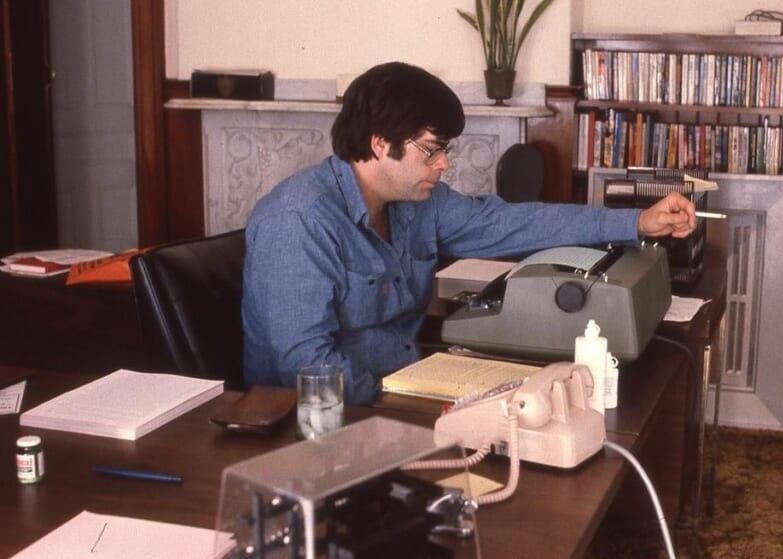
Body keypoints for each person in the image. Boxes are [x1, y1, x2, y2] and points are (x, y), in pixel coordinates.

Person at [242, 62, 696, 404]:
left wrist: (635, 221)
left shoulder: (420, 202)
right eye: (432, 150)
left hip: (406, 390)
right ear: (380, 143)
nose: (443, 165)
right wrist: (403, 408)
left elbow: (514, 223)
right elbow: (310, 370)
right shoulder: (296, 220)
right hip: (336, 419)